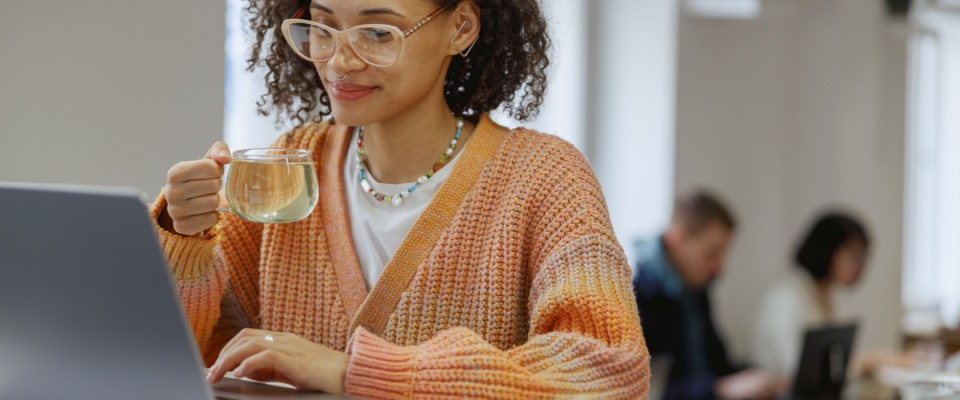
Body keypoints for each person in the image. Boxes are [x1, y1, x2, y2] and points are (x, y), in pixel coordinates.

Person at [152, 0, 650, 397]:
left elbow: (607, 371)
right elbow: (184, 356)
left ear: (460, 28)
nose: (340, 62)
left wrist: (360, 373)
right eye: (322, 29)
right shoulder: (289, 165)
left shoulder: (545, 179)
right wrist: (188, 241)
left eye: (377, 33)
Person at [634, 191, 786, 400]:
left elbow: (720, 365)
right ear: (677, 239)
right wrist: (719, 388)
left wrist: (762, 378)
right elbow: (651, 391)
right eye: (712, 253)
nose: (720, 267)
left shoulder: (697, 291)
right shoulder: (635, 298)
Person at [752, 212, 871, 378]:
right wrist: (869, 362)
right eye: (855, 256)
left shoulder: (826, 298)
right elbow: (799, 372)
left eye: (863, 258)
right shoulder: (786, 298)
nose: (860, 267)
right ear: (828, 248)